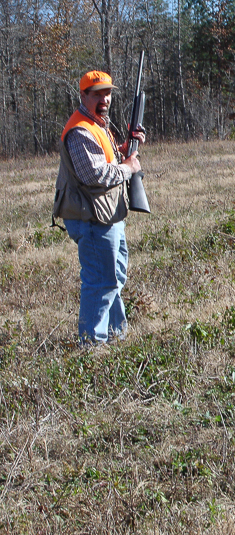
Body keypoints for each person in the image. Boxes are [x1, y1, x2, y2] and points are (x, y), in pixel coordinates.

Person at [53, 70, 146, 346]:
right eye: (97, 93)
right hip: (91, 218)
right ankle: (92, 346)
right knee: (100, 282)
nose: (104, 98)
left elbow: (107, 157)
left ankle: (116, 334)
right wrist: (128, 168)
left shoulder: (99, 124)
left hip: (106, 214)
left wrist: (128, 146)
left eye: (107, 93)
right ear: (83, 95)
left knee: (114, 277)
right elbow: (93, 175)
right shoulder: (80, 129)